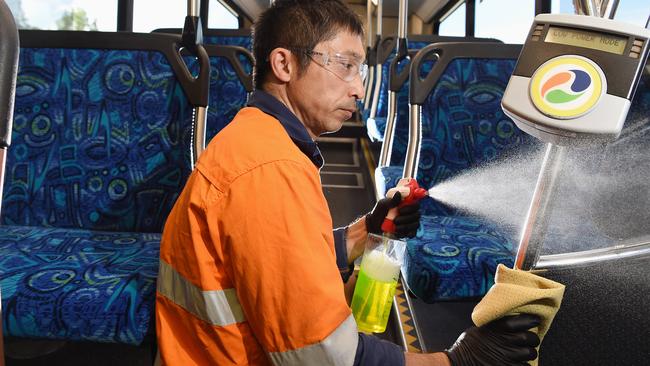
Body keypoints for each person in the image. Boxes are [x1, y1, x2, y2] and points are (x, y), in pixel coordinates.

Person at [155, 1, 540, 365]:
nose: (358, 88)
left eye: (360, 71)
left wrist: (365, 232)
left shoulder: (257, 140)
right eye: (345, 65)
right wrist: (454, 360)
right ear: (284, 65)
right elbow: (324, 356)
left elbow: (278, 262)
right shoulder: (270, 170)